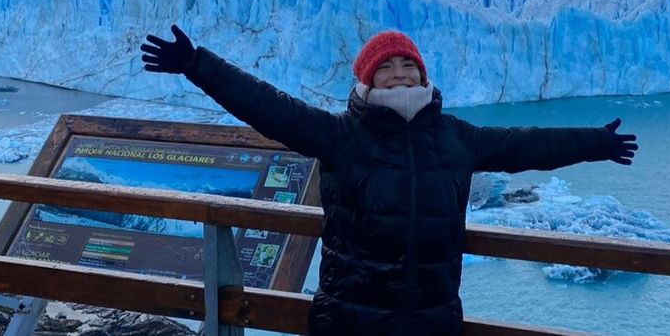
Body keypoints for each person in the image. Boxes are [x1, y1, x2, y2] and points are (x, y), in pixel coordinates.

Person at [141, 25, 638, 336]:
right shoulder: (341, 136)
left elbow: (527, 146)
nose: (399, 74)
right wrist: (198, 65)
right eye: (386, 67)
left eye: (408, 65)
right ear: (367, 78)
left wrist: (595, 142)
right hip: (351, 318)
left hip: (431, 317)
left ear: (423, 76)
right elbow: (270, 107)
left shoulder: (455, 138)